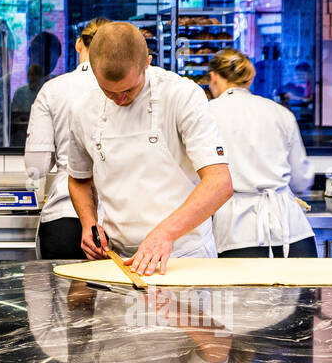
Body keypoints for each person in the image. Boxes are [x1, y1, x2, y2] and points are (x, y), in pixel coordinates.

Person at [67, 22, 233, 275]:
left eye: (128, 90)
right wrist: (89, 223)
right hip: (118, 259)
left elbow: (219, 183)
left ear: (148, 62)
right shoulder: (83, 108)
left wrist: (165, 233)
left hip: (182, 256)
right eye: (108, 91)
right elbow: (79, 179)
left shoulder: (182, 95)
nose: (119, 99)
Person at [207, 49, 317, 258]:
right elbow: (301, 179)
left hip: (238, 236)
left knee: (244, 293)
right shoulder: (280, 112)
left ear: (213, 77)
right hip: (293, 234)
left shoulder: (207, 113)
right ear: (250, 79)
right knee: (304, 291)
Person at [23, 17, 108, 260]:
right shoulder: (124, 89)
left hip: (64, 217)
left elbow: (35, 168)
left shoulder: (54, 89)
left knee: (61, 298)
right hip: (114, 221)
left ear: (78, 44)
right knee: (116, 297)